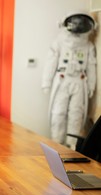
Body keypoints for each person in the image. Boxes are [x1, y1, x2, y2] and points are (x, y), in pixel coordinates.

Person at [42, 12, 96, 149]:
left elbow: (91, 66)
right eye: (75, 23)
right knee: (58, 113)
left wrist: (91, 86)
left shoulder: (88, 45)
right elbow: (51, 62)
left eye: (81, 23)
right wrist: (46, 83)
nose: (78, 26)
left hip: (80, 80)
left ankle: (72, 147)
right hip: (62, 79)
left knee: (76, 114)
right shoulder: (59, 42)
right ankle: (57, 144)